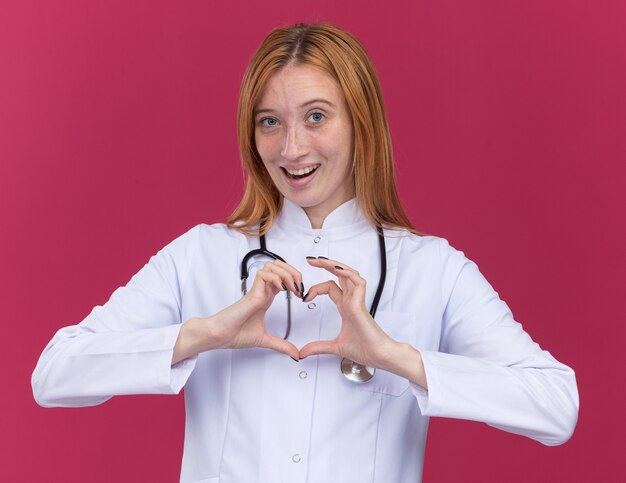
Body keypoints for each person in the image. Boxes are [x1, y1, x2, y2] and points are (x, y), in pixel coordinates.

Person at [32, 23, 579, 483]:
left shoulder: (433, 269)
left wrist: (395, 357)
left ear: (361, 123)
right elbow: (54, 375)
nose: (292, 148)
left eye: (316, 116)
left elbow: (556, 407)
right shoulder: (199, 255)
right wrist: (205, 334)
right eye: (270, 121)